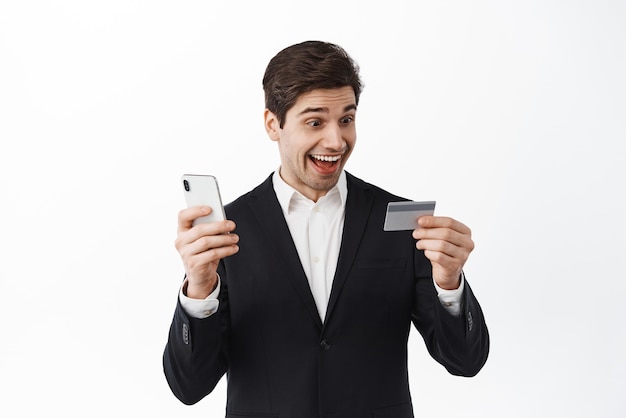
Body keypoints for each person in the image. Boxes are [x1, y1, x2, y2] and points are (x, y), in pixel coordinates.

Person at [163, 40, 489, 418]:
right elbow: (189, 387)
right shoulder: (225, 233)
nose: (336, 141)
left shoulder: (401, 223)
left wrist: (449, 284)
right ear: (273, 124)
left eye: (346, 120)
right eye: (315, 122)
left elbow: (466, 361)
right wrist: (199, 291)